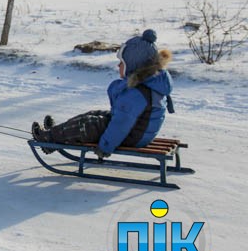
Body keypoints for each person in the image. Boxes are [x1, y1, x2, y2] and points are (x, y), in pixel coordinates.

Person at [31, 29, 173, 158]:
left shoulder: (137, 93)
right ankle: (55, 133)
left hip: (132, 136)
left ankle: (48, 138)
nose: (118, 66)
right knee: (93, 114)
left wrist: (106, 146)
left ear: (134, 66)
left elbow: (121, 124)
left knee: (88, 124)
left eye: (122, 63)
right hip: (138, 132)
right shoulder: (149, 84)